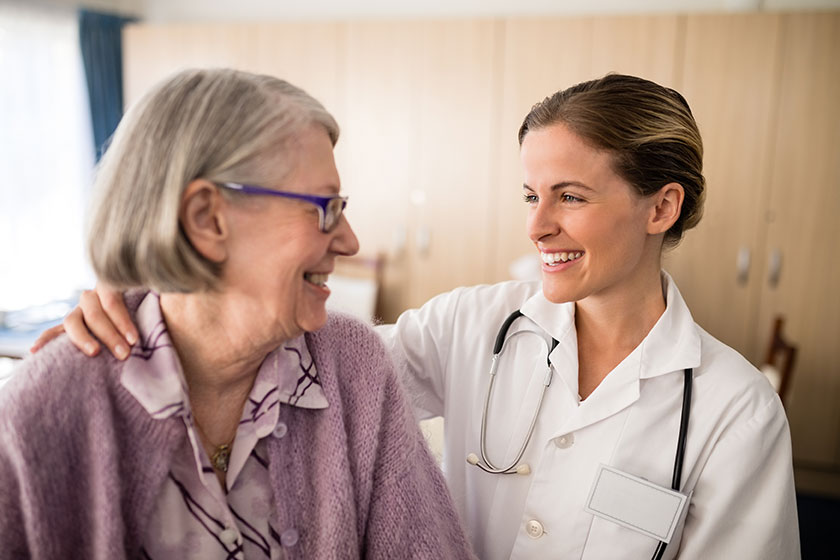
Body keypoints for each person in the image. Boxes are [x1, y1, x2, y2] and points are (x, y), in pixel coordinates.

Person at [35, 74, 800, 559]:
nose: (536, 229)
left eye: (570, 196)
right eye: (531, 197)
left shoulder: (735, 412)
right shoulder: (473, 328)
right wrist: (140, 304)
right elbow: (299, 360)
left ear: (662, 206)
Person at [0, 68, 474, 559]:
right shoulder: (44, 414)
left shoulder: (353, 370)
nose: (350, 241)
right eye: (323, 207)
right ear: (206, 218)